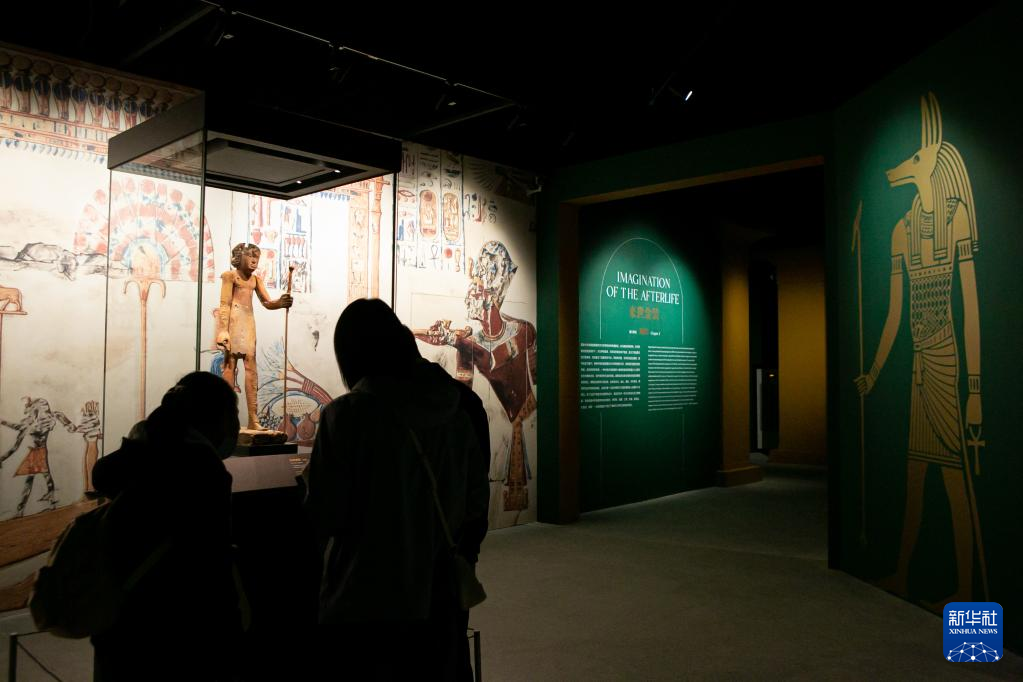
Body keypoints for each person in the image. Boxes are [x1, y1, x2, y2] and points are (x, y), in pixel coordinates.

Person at [305, 299, 489, 680]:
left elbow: (322, 517)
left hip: (364, 600)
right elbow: (475, 505)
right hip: (439, 597)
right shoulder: (461, 410)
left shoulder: (347, 416)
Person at [90, 372, 242, 681]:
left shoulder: (135, 454)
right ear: (215, 417)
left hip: (121, 622)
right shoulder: (203, 470)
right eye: (232, 415)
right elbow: (209, 561)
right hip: (179, 630)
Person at [216, 243, 292, 431]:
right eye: (250, 256)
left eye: (256, 257)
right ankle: (227, 418)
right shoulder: (230, 276)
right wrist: (223, 330)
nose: (253, 260)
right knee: (229, 367)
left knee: (251, 370)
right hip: (233, 323)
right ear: (239, 257)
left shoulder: (255, 280)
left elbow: (267, 302)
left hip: (248, 323)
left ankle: (253, 418)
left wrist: (281, 302)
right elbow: (224, 304)